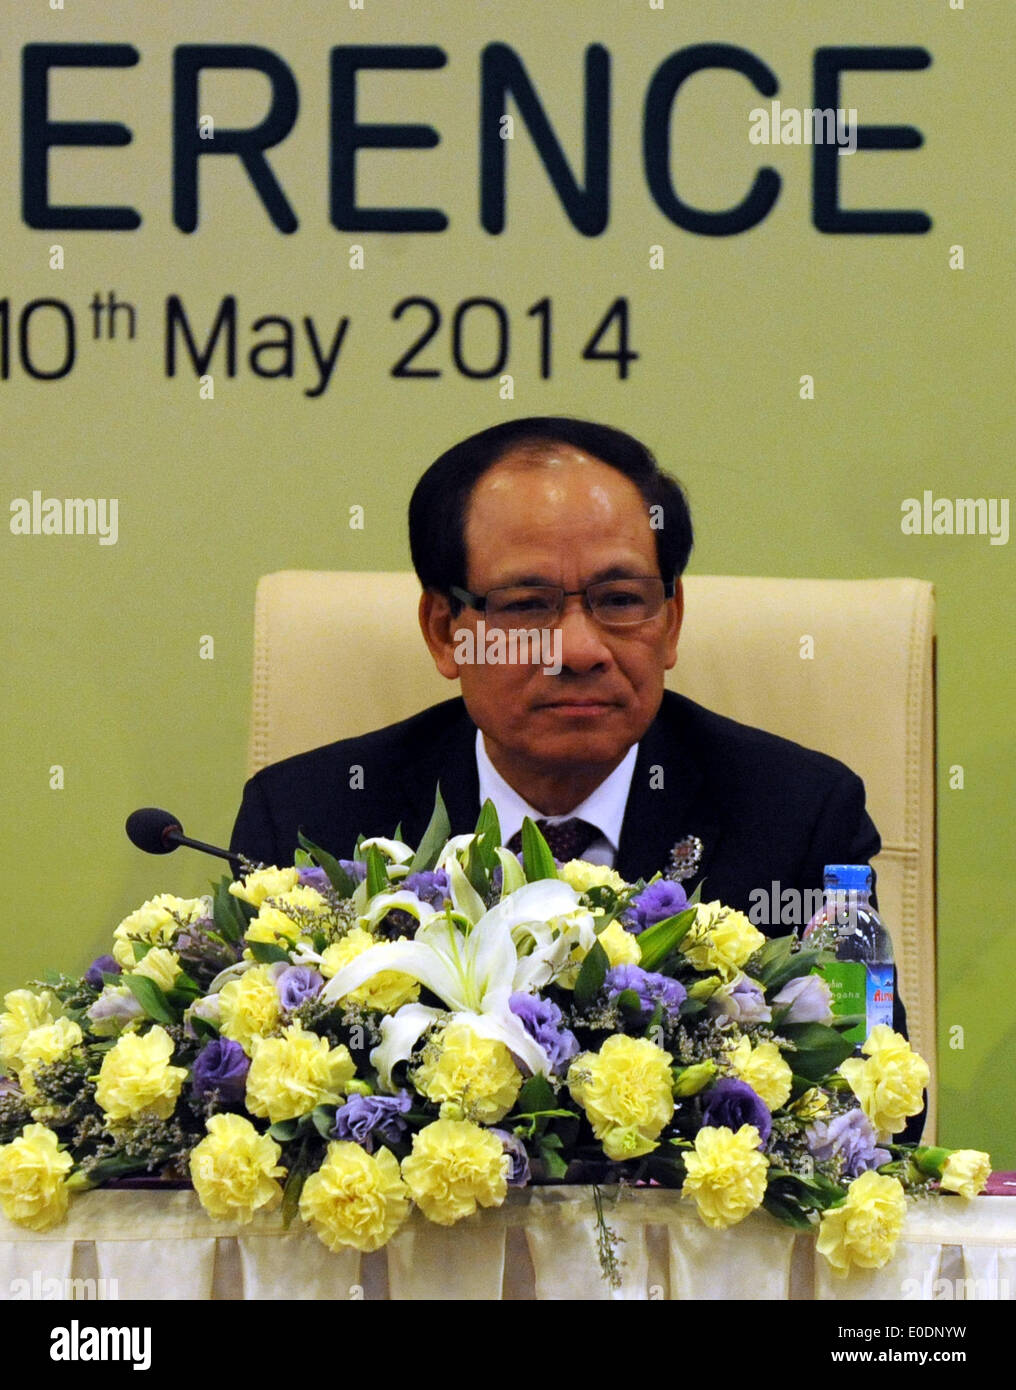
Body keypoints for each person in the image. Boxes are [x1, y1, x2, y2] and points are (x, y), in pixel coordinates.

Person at [230, 417, 919, 1075]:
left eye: (620, 600)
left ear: (670, 622)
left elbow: (874, 1104)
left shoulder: (795, 816)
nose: (579, 649)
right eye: (528, 605)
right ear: (445, 630)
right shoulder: (311, 819)